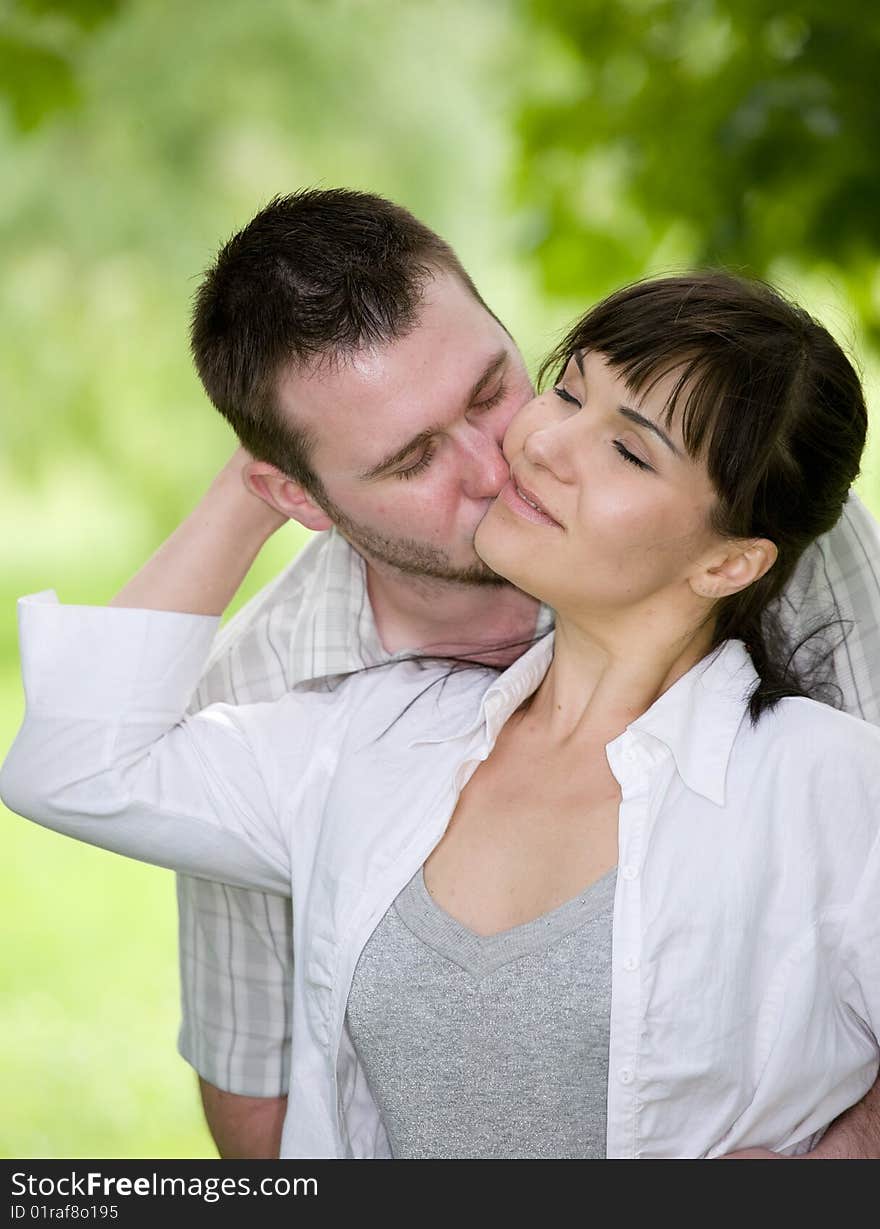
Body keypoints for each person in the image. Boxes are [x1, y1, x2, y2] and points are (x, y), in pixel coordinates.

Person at [3, 270, 880, 1159]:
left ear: (731, 564)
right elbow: (73, 766)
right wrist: (267, 472)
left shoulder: (830, 785)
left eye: (629, 450)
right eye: (568, 390)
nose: (541, 446)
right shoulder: (372, 734)